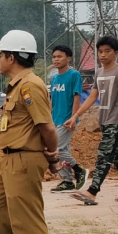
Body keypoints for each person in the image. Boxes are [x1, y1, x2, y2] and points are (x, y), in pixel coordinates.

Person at [0, 31, 62, 234]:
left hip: (24, 157)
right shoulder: (17, 85)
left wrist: (53, 157)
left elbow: (47, 127)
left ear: (12, 57)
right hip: (9, 157)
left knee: (27, 218)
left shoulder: (30, 85)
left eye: (1, 55)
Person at [65, 36, 118, 205]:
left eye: (107, 51)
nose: (103, 55)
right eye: (100, 51)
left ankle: (92, 192)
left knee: (104, 155)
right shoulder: (98, 72)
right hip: (104, 120)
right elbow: (93, 97)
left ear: (115, 53)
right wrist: (75, 116)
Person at [48, 45, 88, 193]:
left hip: (67, 119)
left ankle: (79, 170)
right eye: (54, 57)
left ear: (68, 58)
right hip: (55, 119)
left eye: (60, 56)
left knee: (54, 149)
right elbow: (52, 100)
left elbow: (77, 97)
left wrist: (73, 118)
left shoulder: (74, 75)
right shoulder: (54, 78)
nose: (56, 59)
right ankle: (67, 181)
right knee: (63, 149)